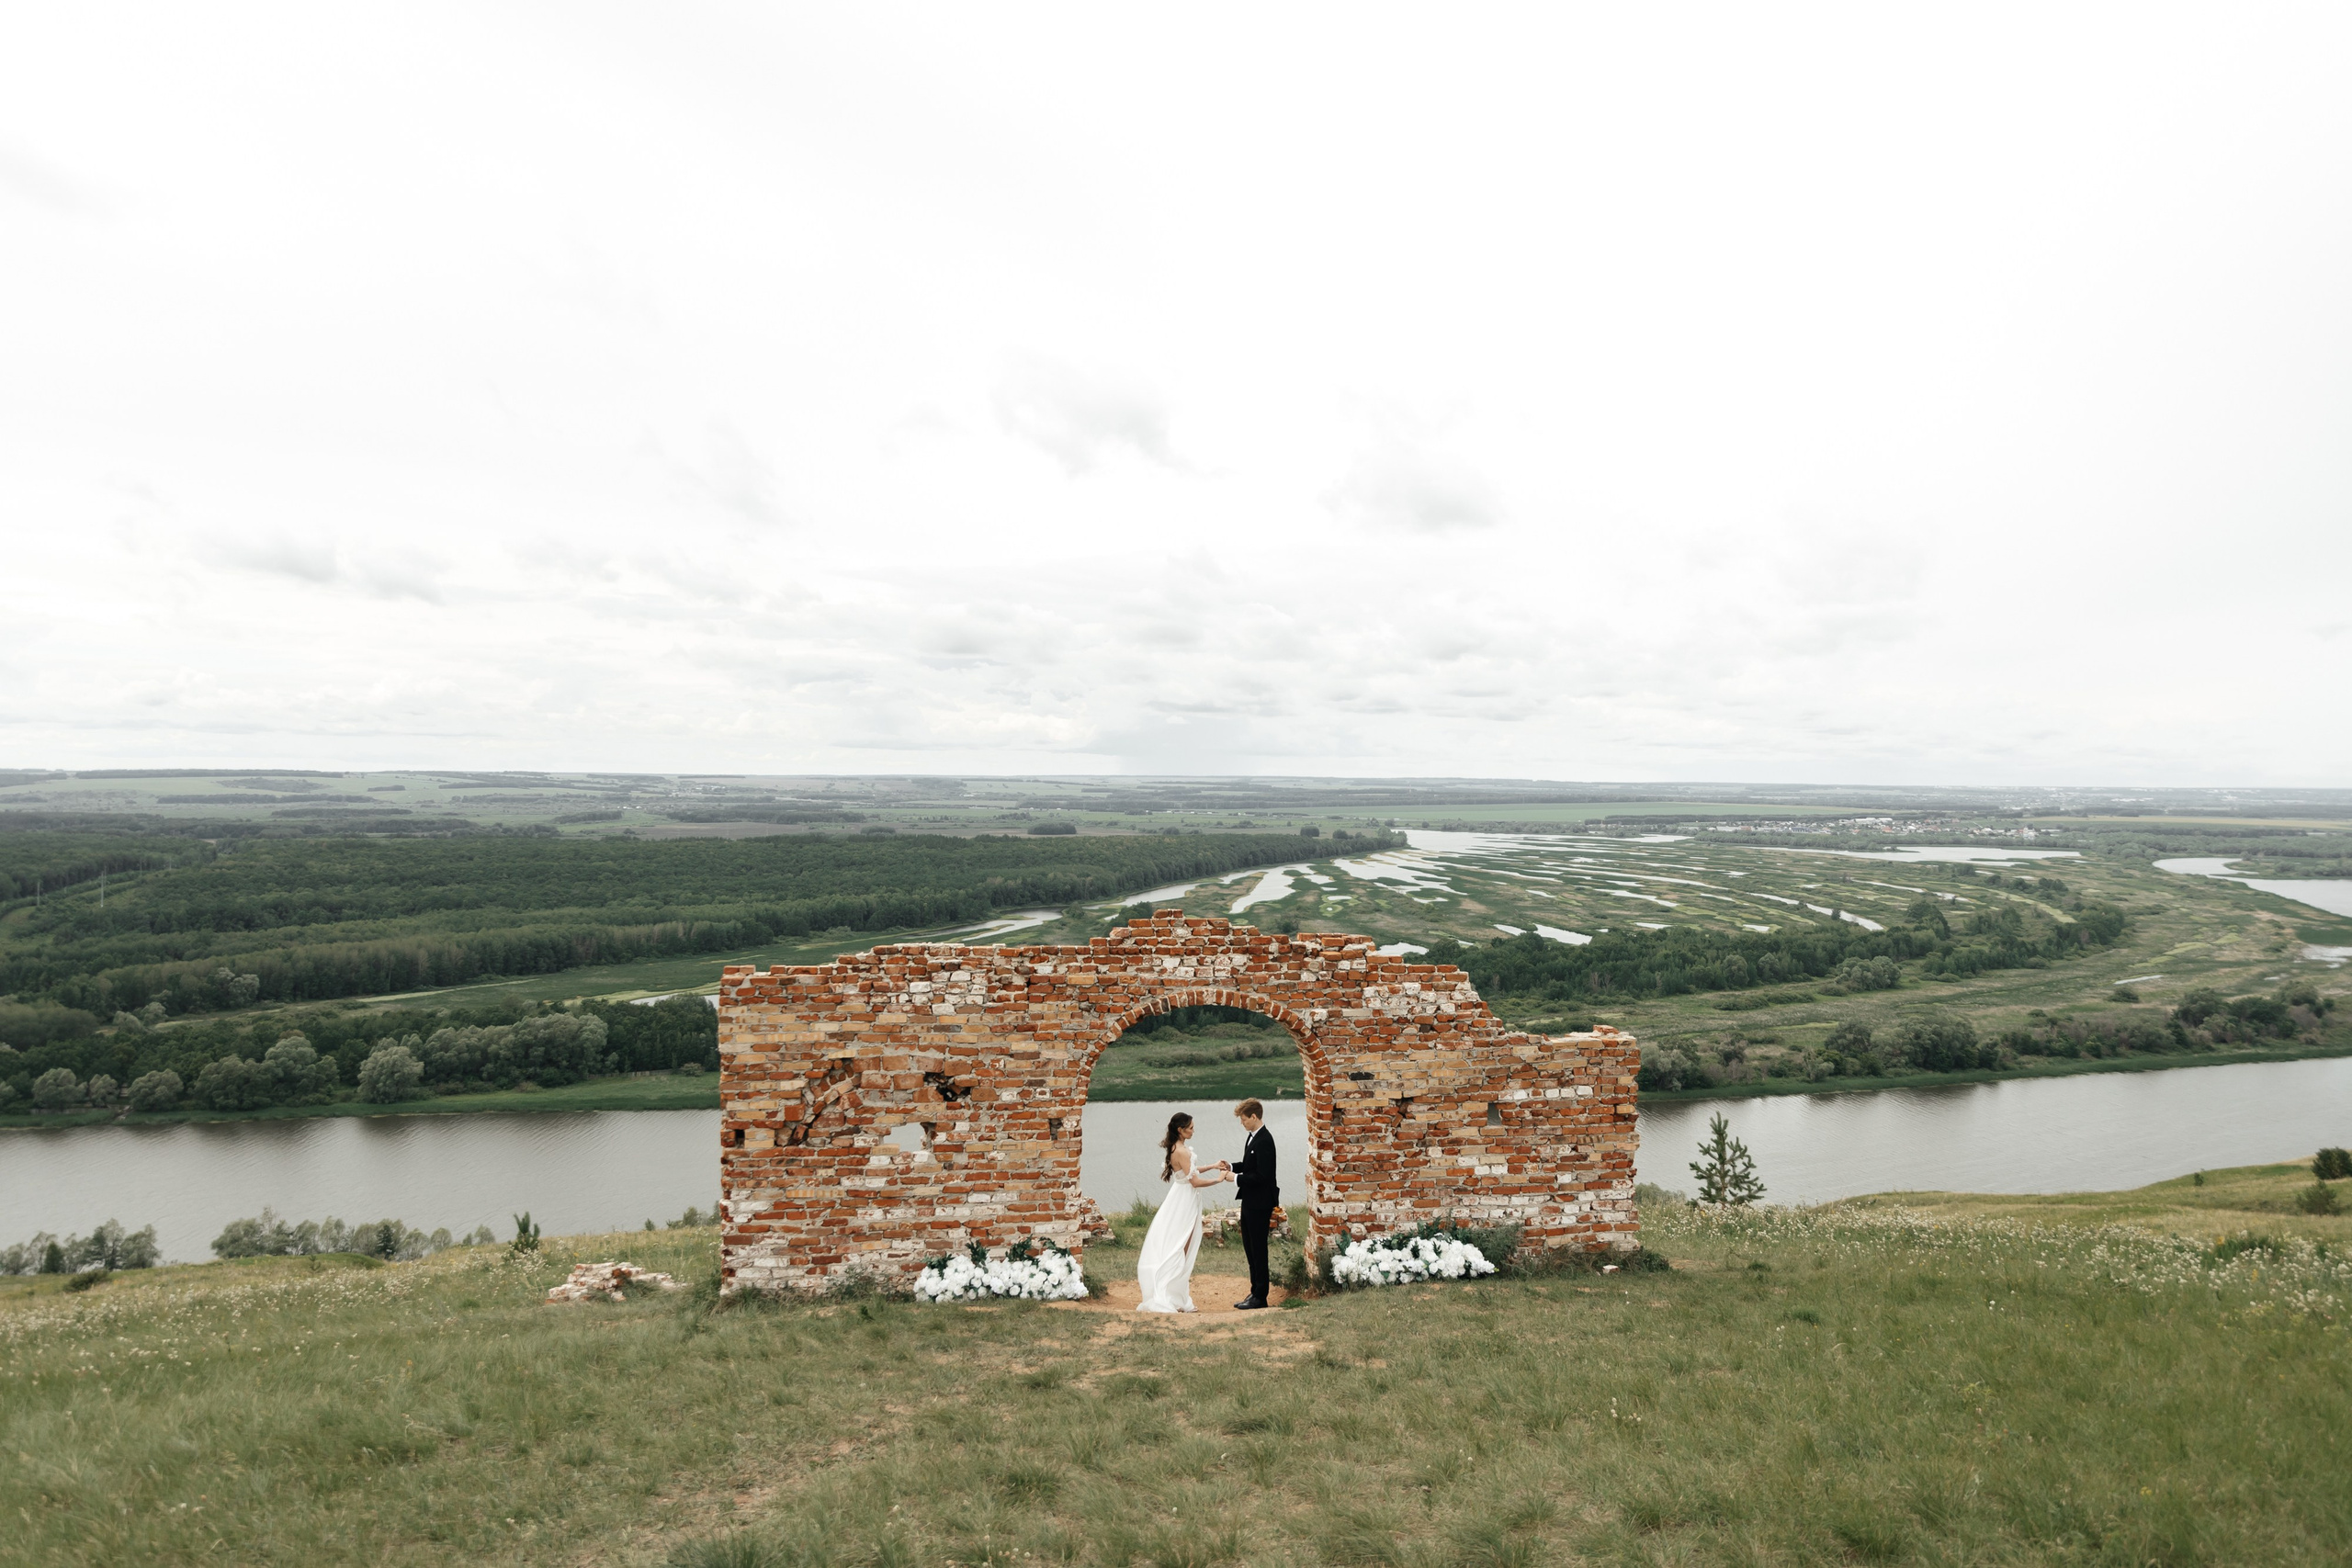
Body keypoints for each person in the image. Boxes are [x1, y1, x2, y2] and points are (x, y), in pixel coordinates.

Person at [1135, 1111, 1228, 1313]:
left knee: (1180, 1245)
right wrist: (1218, 1179)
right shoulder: (1182, 1151)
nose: (1194, 1131)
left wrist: (1212, 1166)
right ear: (1180, 1129)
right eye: (1191, 1127)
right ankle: (1170, 1294)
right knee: (1180, 1246)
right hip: (1184, 1201)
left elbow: (1190, 1171)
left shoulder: (1177, 1148)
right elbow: (1194, 1181)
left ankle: (1176, 1295)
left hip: (1181, 1197)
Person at [1225, 1098, 1278, 1309]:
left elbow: (1263, 1176)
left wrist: (1235, 1179)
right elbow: (1249, 1165)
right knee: (1249, 1247)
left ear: (1254, 1117)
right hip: (1249, 1201)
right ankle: (1254, 1291)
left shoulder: (1265, 1140)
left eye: (1244, 1119)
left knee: (1258, 1249)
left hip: (1261, 1203)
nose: (1242, 1123)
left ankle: (1261, 1296)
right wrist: (1230, 1166)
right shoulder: (1252, 1137)